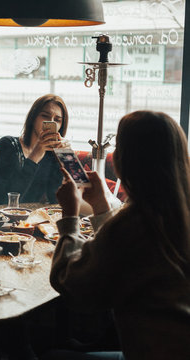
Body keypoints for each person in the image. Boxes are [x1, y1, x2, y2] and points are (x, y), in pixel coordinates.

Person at [47, 111, 190, 360]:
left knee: (50, 354)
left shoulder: (136, 220)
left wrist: (69, 216)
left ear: (126, 160)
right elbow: (120, 254)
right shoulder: (174, 212)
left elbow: (71, 285)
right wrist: (102, 207)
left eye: (117, 147)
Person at [0, 94, 69, 209]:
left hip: (24, 219)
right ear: (33, 117)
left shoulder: (51, 155)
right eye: (45, 116)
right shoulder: (8, 144)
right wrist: (35, 156)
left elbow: (55, 199)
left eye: (57, 120)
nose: (51, 122)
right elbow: (7, 197)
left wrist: (65, 157)